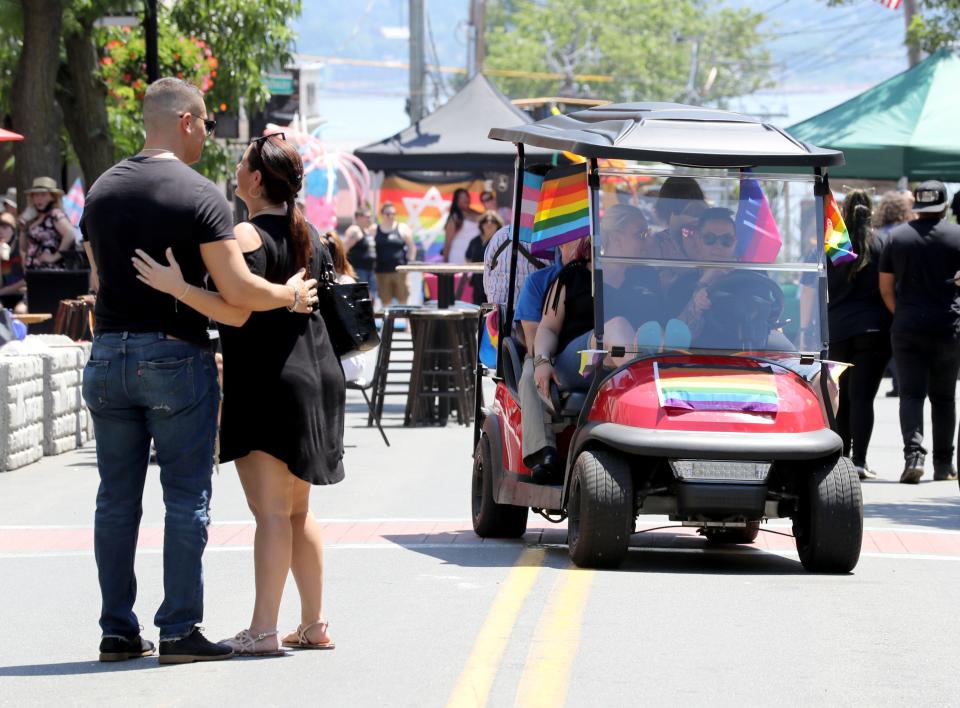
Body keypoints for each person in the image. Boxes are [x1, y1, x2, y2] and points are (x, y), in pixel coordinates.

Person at [80, 78, 317, 665]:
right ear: (185, 120)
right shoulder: (199, 195)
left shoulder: (100, 191)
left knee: (115, 500)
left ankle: (117, 630)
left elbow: (97, 277)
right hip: (174, 354)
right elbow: (237, 293)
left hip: (108, 352)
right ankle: (180, 630)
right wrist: (288, 296)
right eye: (209, 123)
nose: (210, 134)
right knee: (185, 497)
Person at [134, 131, 343, 656]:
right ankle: (313, 623)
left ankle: (263, 630)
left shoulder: (245, 236)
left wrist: (178, 287)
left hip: (269, 382)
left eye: (241, 165)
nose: (234, 172)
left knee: (271, 514)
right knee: (297, 511)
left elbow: (237, 307)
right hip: (317, 376)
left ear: (254, 179)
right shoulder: (311, 235)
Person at [879, 180, 960, 484]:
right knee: (944, 398)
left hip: (908, 325)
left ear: (917, 205)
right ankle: (943, 464)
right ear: (945, 206)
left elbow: (885, 288)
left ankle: (914, 454)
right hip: (948, 327)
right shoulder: (957, 236)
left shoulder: (896, 238)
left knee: (911, 394)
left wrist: (901, 313)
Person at [825, 190, 892, 481]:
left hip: (838, 328)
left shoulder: (836, 245)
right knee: (863, 398)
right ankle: (861, 461)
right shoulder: (881, 244)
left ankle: (841, 458)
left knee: (842, 399)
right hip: (874, 330)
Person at [516, 238, 587, 482]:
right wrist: (544, 359)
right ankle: (541, 451)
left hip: (584, 351)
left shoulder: (598, 277)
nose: (582, 246)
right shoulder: (539, 281)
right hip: (548, 354)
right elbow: (533, 336)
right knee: (529, 375)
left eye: (587, 240)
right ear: (560, 245)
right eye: (576, 241)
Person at [874, 190, 914, 398]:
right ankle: (905, 382)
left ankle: (898, 382)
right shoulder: (908, 233)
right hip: (907, 294)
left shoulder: (878, 235)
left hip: (883, 294)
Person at [482, 224, 545, 307]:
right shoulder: (547, 237)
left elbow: (486, 282)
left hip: (494, 313)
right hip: (531, 314)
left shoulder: (499, 235)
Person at [21, 176, 76, 269]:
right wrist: (23, 229)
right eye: (36, 195)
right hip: (34, 272)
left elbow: (70, 234)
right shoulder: (34, 219)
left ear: (53, 197)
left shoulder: (55, 214)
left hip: (50, 272)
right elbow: (24, 248)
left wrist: (54, 257)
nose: (39, 199)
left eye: (43, 195)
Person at [374, 201, 415, 307]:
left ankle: (407, 324)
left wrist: (409, 263)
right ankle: (388, 324)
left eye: (393, 214)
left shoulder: (402, 228)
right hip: (382, 271)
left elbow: (411, 247)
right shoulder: (374, 229)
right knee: (386, 303)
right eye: (388, 214)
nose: (391, 216)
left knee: (403, 301)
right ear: (382, 214)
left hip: (400, 271)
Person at [466, 210, 503, 305]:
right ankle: (480, 320)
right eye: (486, 220)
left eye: (493, 221)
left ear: (498, 225)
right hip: (477, 282)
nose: (489, 223)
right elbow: (468, 257)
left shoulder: (501, 242)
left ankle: (486, 320)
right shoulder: (475, 241)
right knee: (477, 310)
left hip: (494, 283)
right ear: (481, 224)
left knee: (490, 312)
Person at [342, 206, 377, 300]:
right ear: (359, 217)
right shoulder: (354, 231)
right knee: (362, 297)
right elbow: (344, 250)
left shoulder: (366, 231)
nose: (369, 219)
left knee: (370, 297)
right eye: (367, 217)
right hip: (359, 269)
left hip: (369, 269)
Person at [443, 187, 480, 263]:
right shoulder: (455, 217)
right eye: (461, 197)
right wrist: (445, 262)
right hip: (458, 255)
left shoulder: (477, 214)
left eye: (466, 196)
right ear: (456, 201)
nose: (465, 199)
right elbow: (447, 243)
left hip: (474, 255)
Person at [0, 212, 26, 312]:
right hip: (4, 294)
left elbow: (26, 279)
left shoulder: (20, 247)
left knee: (20, 311)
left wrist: (3, 291)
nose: (0, 232)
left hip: (22, 293)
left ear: (13, 230)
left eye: (5, 228)